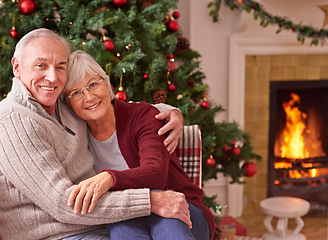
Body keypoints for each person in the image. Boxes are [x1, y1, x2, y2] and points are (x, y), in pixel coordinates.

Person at [0, 28, 190, 240]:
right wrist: (151, 201)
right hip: (60, 234)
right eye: (40, 65)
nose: (52, 77)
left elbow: (115, 109)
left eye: (60, 67)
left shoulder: (62, 106)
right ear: (17, 66)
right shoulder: (12, 120)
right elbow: (63, 204)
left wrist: (170, 112)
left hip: (97, 224)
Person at [63, 50, 215, 240]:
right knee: (121, 224)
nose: (89, 97)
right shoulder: (74, 138)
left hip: (180, 207)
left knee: (167, 222)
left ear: (107, 83)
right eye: (76, 93)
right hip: (125, 214)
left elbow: (155, 174)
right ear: (67, 104)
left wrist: (108, 179)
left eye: (93, 84)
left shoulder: (143, 116)